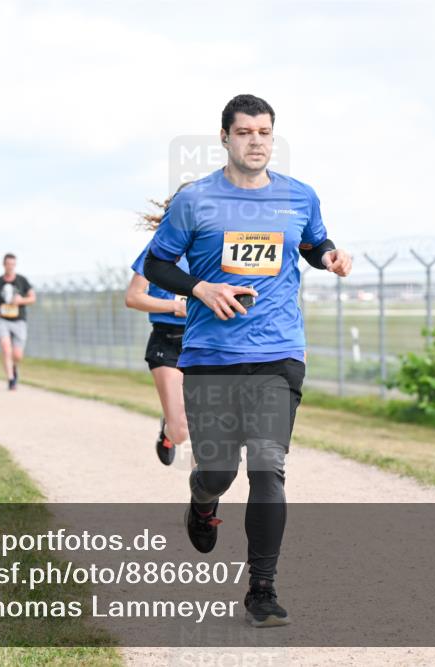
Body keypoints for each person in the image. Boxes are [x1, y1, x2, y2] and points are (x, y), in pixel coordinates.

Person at [144, 94, 353, 628]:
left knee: (268, 467)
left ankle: (262, 589)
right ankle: (202, 501)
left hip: (278, 354)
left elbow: (310, 243)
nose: (256, 141)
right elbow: (157, 264)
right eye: (245, 132)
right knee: (218, 469)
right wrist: (200, 287)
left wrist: (328, 255)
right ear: (225, 137)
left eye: (264, 132)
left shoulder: (298, 196)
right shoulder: (196, 200)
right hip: (211, 355)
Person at [125, 186, 192, 466]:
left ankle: (202, 507)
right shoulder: (159, 248)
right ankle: (168, 428)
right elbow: (133, 297)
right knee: (181, 432)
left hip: (203, 341)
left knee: (205, 431)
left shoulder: (215, 246)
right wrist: (175, 306)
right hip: (167, 341)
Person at [0, 253, 35, 390]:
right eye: (8, 264)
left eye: (13, 264)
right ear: (4, 264)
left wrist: (21, 300)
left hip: (19, 321)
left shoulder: (22, 281)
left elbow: (32, 298)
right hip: (3, 320)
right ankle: (11, 379)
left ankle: (14, 367)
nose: (10, 267)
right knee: (6, 349)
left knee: (17, 355)